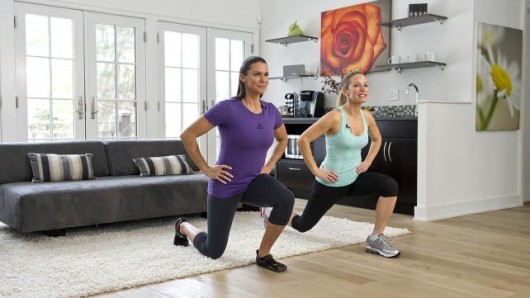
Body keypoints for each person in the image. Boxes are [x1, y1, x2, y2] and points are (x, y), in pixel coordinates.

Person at [175, 56, 295, 272]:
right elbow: (188, 135)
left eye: (266, 74)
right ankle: (184, 227)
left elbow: (283, 139)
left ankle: (264, 254)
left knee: (286, 199)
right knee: (214, 251)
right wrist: (206, 169)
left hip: (255, 180)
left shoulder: (271, 111)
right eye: (257, 74)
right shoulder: (228, 108)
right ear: (243, 77)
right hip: (227, 183)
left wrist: (268, 167)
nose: (263, 79)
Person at [262, 71, 400, 258]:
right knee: (302, 225)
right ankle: (270, 212)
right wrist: (316, 170)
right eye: (357, 85)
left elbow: (377, 139)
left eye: (365, 85)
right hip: (331, 182)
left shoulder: (367, 117)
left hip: (355, 178)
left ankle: (376, 238)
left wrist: (367, 161)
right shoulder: (335, 117)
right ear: (345, 91)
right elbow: (304, 139)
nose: (363, 89)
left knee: (389, 185)